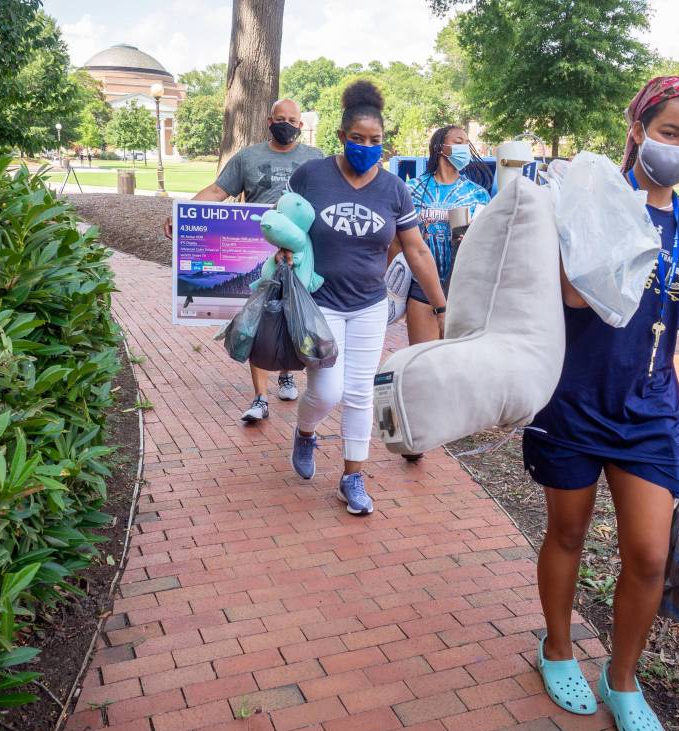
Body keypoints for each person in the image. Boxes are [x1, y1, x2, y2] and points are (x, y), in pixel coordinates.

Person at [524, 76, 679, 731]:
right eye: (670, 133)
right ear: (637, 128)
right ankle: (556, 648)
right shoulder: (583, 201)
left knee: (648, 553)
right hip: (572, 400)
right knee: (568, 535)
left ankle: (623, 679)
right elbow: (564, 301)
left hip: (648, 413)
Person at [283, 80, 447, 516]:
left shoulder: (394, 190)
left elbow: (416, 250)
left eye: (375, 141)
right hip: (319, 302)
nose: (366, 147)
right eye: (357, 139)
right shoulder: (311, 176)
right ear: (341, 137)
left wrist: (441, 305)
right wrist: (281, 248)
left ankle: (352, 477)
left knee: (359, 393)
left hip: (369, 306)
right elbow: (286, 225)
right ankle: (304, 431)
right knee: (327, 390)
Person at [165, 99, 323, 423]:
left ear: (300, 125)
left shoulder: (314, 159)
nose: (287, 124)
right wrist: (181, 216)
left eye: (292, 120)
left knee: (294, 316)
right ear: (269, 120)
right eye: (280, 118)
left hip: (300, 253)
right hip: (259, 249)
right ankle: (260, 398)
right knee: (259, 320)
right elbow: (217, 191)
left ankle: (287, 372)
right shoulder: (248, 157)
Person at [398, 126, 491, 345]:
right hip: (423, 286)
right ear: (441, 147)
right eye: (459, 141)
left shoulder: (478, 193)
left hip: (463, 287)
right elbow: (397, 238)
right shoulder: (411, 189)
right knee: (425, 361)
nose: (465, 148)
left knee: (458, 364)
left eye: (467, 143)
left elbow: (489, 244)